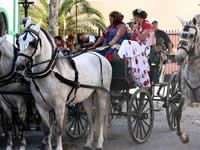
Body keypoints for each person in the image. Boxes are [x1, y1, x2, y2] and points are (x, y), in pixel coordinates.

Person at [118, 9, 156, 88]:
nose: (133, 18)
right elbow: (133, 38)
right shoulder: (139, 25)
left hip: (144, 47)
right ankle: (128, 67)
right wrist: (133, 30)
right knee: (127, 45)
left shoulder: (148, 25)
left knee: (125, 43)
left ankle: (120, 57)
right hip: (138, 46)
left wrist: (136, 30)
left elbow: (142, 38)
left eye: (134, 16)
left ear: (137, 17)